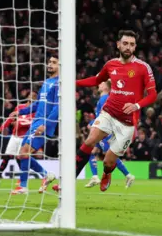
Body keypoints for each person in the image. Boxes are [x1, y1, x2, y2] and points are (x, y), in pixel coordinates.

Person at [62, 30, 156, 192]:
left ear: (135, 47)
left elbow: (153, 94)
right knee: (90, 140)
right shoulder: (111, 64)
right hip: (109, 113)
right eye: (125, 43)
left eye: (132, 44)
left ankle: (107, 173)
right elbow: (96, 80)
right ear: (118, 44)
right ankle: (68, 181)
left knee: (108, 162)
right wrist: (73, 82)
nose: (128, 47)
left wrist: (136, 106)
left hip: (127, 122)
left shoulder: (143, 67)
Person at [10, 56, 59, 195]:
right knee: (21, 154)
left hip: (43, 124)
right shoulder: (47, 82)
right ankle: (46, 174)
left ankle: (23, 186)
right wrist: (20, 112)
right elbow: (38, 104)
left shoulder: (58, 83)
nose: (50, 64)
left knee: (24, 152)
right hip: (36, 122)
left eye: (54, 63)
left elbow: (57, 107)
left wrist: (46, 124)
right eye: (49, 62)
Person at [85, 80, 135, 189]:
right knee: (91, 151)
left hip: (104, 131)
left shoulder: (105, 98)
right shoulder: (102, 99)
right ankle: (94, 176)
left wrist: (92, 123)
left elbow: (106, 116)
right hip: (101, 129)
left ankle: (128, 175)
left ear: (106, 87)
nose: (99, 84)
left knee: (110, 156)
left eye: (101, 83)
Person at [0, 91, 37, 184]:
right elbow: (11, 118)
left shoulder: (35, 111)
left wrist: (20, 122)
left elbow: (32, 123)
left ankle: (22, 179)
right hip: (15, 136)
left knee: (20, 157)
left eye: (34, 96)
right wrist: (2, 127)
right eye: (31, 95)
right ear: (28, 97)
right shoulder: (19, 107)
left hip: (25, 138)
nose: (32, 97)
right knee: (7, 156)